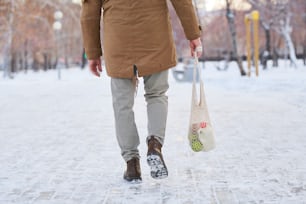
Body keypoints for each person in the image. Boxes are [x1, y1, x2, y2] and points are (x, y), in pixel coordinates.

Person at [80, 0, 203, 182]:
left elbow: (89, 11)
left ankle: (131, 164)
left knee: (122, 104)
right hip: (155, 34)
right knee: (157, 94)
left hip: (118, 37)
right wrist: (193, 34)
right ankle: (155, 145)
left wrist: (92, 52)